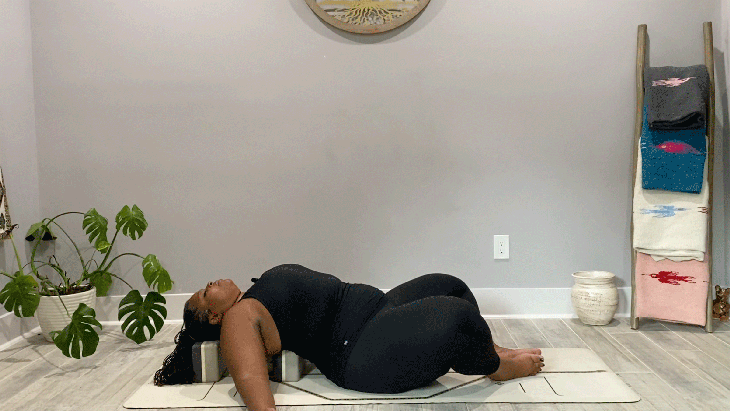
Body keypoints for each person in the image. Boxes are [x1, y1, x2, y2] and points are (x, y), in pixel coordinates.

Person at [154, 264, 544, 411]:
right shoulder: (238, 319)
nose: (209, 283)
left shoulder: (252, 298)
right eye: (205, 294)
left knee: (452, 285)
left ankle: (488, 347)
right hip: (362, 350)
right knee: (455, 315)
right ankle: (494, 367)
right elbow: (252, 381)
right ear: (215, 316)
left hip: (379, 312)